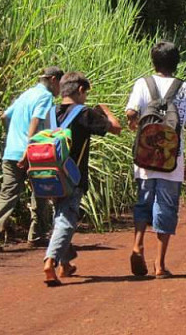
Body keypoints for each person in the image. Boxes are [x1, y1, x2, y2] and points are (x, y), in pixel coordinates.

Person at [126, 41, 186, 278]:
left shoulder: (142, 83)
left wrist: (134, 123)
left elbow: (130, 113)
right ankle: (159, 264)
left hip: (144, 157)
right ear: (176, 63)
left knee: (143, 202)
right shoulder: (185, 88)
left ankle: (138, 244)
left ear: (153, 62)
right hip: (171, 159)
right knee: (166, 206)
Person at [43, 72, 121, 286]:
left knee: (59, 216)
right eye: (86, 93)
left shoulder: (50, 113)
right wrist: (105, 111)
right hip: (72, 177)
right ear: (80, 90)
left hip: (47, 174)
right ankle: (50, 262)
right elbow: (116, 128)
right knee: (66, 221)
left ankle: (65, 264)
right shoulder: (84, 113)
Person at [0, 67, 64, 250]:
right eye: (60, 85)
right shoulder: (45, 97)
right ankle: (36, 234)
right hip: (31, 152)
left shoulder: (27, 94)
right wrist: (27, 147)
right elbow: (35, 120)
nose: (60, 91)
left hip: (11, 150)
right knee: (42, 189)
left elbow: (4, 116)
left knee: (8, 192)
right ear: (54, 80)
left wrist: (14, 136)